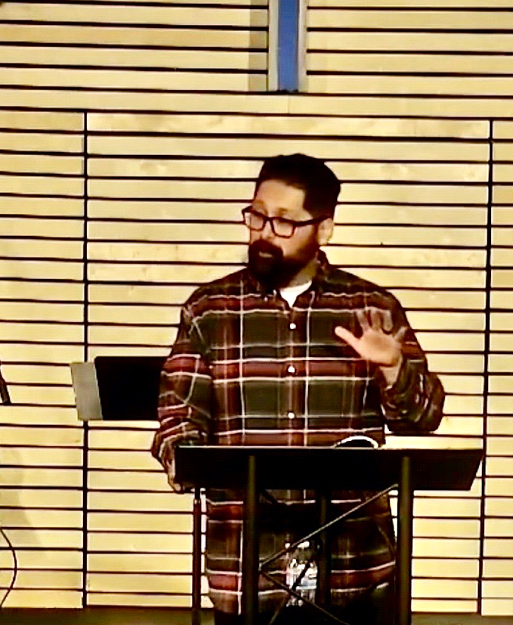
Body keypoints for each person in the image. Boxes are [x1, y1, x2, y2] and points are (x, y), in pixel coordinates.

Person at [151, 154, 445, 625]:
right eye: (257, 215)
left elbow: (423, 417)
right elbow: (178, 420)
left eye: (285, 221)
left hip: (354, 568)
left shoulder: (370, 307)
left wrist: (394, 369)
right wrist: (188, 462)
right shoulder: (209, 310)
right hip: (245, 568)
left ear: (323, 229)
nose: (265, 232)